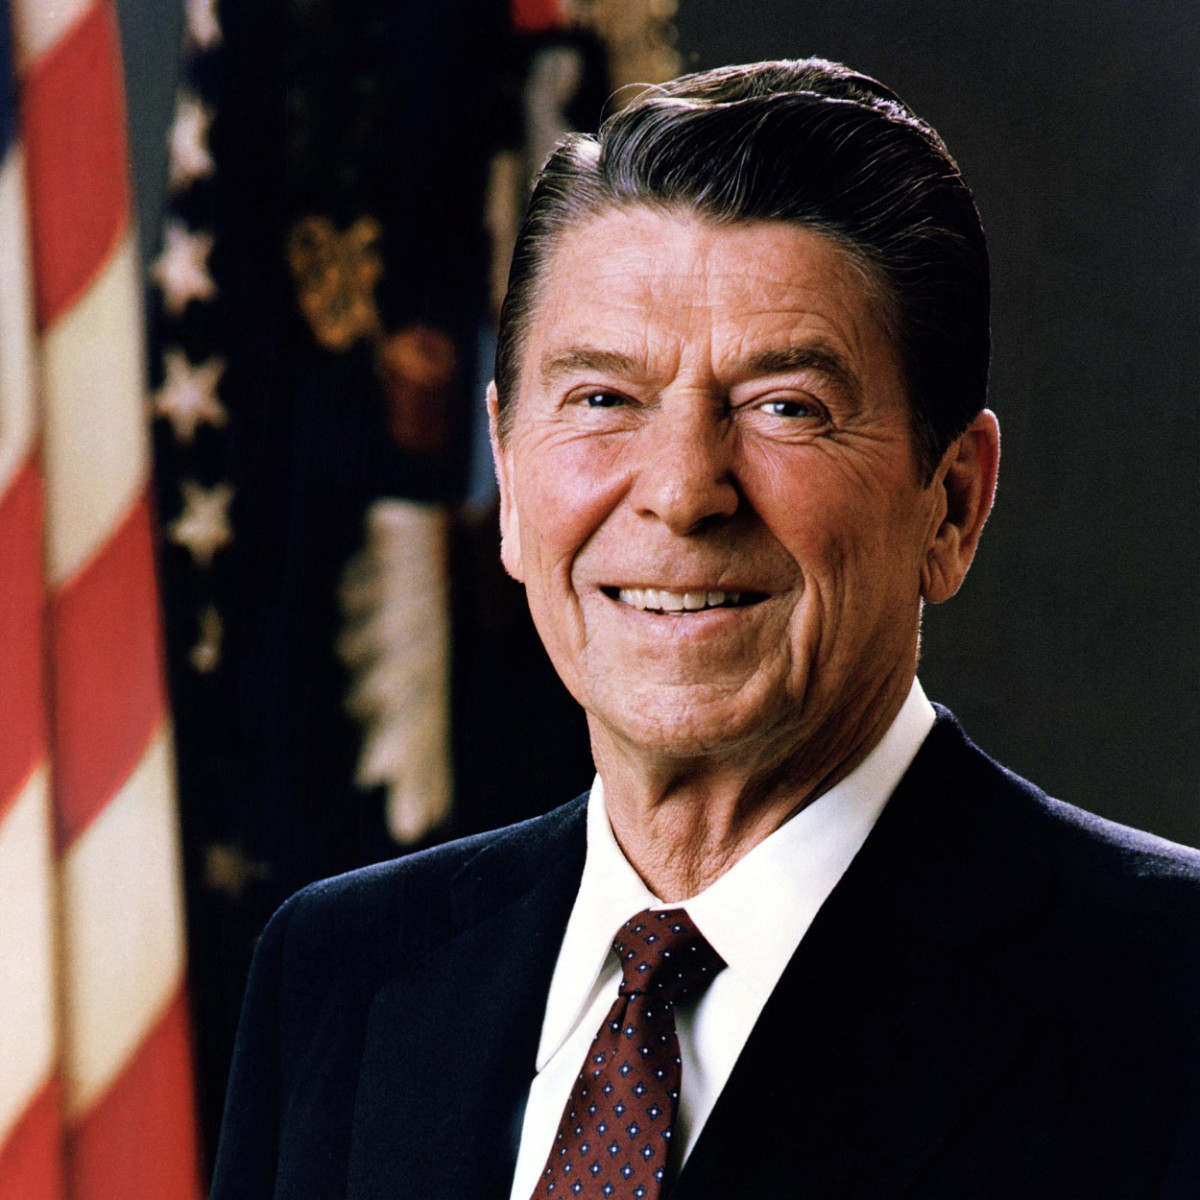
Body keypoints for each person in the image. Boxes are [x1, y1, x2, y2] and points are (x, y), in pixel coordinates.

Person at [209, 59, 1200, 1199]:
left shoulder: (1164, 999)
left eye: (786, 406)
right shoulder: (340, 976)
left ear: (953, 503)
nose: (682, 491)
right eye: (602, 400)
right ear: (510, 478)